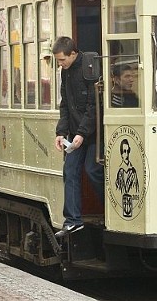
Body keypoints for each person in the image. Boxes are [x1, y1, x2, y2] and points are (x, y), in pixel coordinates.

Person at [52, 36, 104, 238]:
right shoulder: (65, 72)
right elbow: (65, 103)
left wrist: (81, 133)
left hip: (92, 134)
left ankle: (108, 212)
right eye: (58, 61)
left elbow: (94, 106)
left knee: (93, 171)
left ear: (73, 54)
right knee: (70, 171)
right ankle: (73, 220)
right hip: (75, 133)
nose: (60, 64)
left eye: (62, 60)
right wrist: (60, 132)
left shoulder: (89, 68)